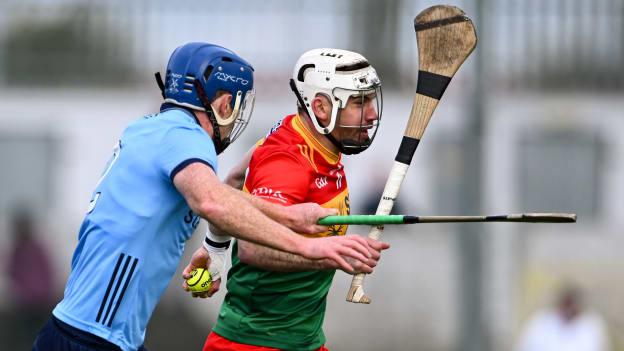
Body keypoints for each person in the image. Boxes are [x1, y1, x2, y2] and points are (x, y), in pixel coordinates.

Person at [32, 42, 379, 351]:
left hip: (97, 333)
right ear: (224, 103)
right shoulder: (186, 136)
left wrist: (280, 221)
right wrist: (311, 246)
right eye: (237, 106)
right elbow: (211, 201)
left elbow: (225, 190)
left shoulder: (149, 128)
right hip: (92, 338)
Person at [183, 48, 390, 351]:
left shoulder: (305, 135)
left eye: (371, 99)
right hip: (253, 343)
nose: (371, 113)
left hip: (303, 340)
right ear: (321, 107)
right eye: (359, 102)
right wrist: (327, 252)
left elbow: (233, 182)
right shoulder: (288, 159)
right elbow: (253, 249)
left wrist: (214, 248)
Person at [514, 285, 612, 351]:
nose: (569, 309)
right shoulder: (540, 322)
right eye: (566, 304)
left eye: (572, 305)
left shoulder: (592, 325)